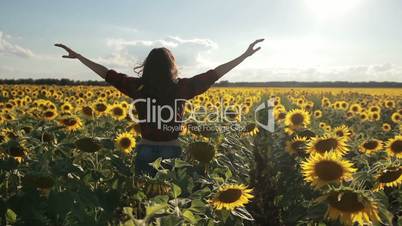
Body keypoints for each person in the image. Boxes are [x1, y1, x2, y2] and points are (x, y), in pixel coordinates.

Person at [55, 38, 264, 176]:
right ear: (172, 67)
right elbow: (215, 73)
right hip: (172, 150)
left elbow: (106, 73)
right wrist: (244, 56)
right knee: (170, 204)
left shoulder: (137, 87)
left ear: (147, 66)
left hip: (145, 149)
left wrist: (80, 57)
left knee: (145, 204)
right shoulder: (182, 88)